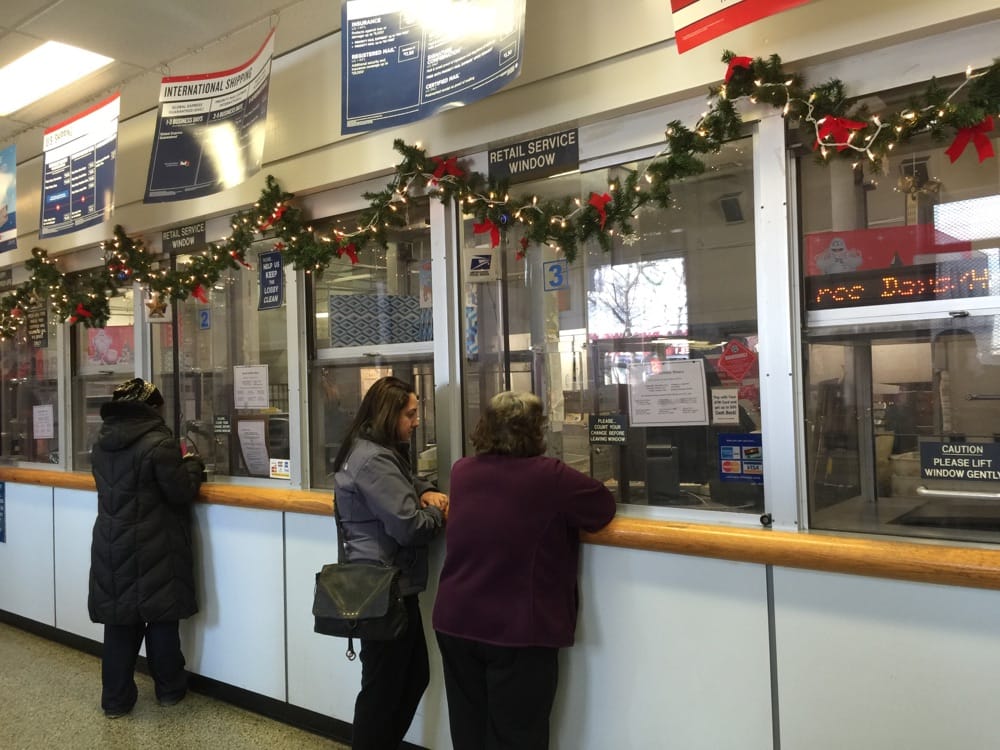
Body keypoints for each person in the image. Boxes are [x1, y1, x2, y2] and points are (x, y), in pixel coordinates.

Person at [432, 391, 616, 750]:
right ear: (536, 430)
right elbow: (602, 507)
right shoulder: (551, 476)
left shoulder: (463, 470)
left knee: (469, 730)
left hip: (455, 622)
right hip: (517, 630)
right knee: (518, 736)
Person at [332, 375, 447, 749]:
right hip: (382, 591)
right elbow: (410, 527)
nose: (416, 422)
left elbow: (403, 483)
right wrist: (441, 513)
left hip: (390, 588)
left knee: (412, 677)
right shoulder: (373, 459)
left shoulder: (373, 450)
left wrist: (426, 490)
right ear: (389, 414)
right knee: (383, 690)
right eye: (411, 414)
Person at [88, 377, 206, 718]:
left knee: (120, 623)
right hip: (155, 544)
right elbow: (180, 491)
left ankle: (115, 700)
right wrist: (193, 465)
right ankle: (169, 690)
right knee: (161, 620)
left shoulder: (102, 443)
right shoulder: (159, 443)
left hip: (113, 543)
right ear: (151, 407)